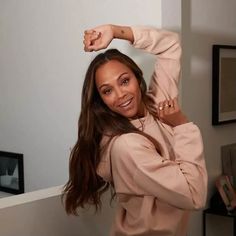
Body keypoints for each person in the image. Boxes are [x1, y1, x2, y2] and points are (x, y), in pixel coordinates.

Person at [62, 24, 208, 236]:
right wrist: (183, 125)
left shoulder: (156, 104)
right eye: (107, 91)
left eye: (124, 81)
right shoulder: (126, 145)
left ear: (137, 77)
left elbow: (170, 45)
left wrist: (115, 31)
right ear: (100, 100)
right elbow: (195, 195)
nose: (120, 95)